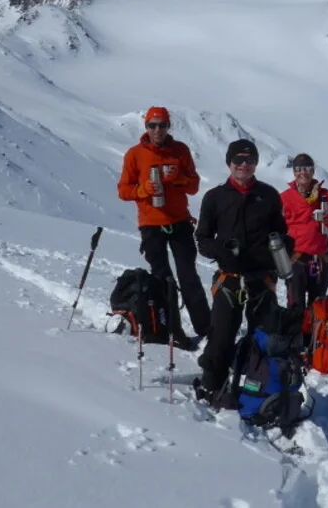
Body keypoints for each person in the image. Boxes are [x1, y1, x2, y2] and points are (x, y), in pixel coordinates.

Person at [192, 138, 293, 406]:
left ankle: (256, 392)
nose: (243, 165)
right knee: (220, 337)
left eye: (249, 160)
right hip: (230, 279)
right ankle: (212, 386)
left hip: (262, 278)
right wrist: (220, 249)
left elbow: (281, 232)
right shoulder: (214, 198)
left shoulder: (269, 195)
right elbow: (201, 239)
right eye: (238, 160)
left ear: (256, 163)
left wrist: (285, 245)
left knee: (263, 339)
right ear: (229, 163)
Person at [116, 106, 207, 350]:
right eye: (152, 125)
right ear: (146, 127)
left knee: (189, 276)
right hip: (151, 225)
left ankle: (205, 328)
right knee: (163, 279)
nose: (157, 129)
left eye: (162, 124)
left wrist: (178, 179)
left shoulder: (180, 151)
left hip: (179, 222)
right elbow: (123, 190)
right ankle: (173, 330)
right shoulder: (135, 155)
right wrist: (143, 190)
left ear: (169, 126)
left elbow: (194, 186)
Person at [279, 153, 328, 309]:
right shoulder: (285, 198)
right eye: (299, 169)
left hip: (320, 259)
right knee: (296, 308)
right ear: (294, 172)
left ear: (313, 171)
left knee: (318, 308)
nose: (303, 172)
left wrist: (327, 220)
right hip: (296, 259)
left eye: (307, 168)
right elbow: (275, 227)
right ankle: (297, 333)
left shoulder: (325, 196)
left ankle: (314, 334)